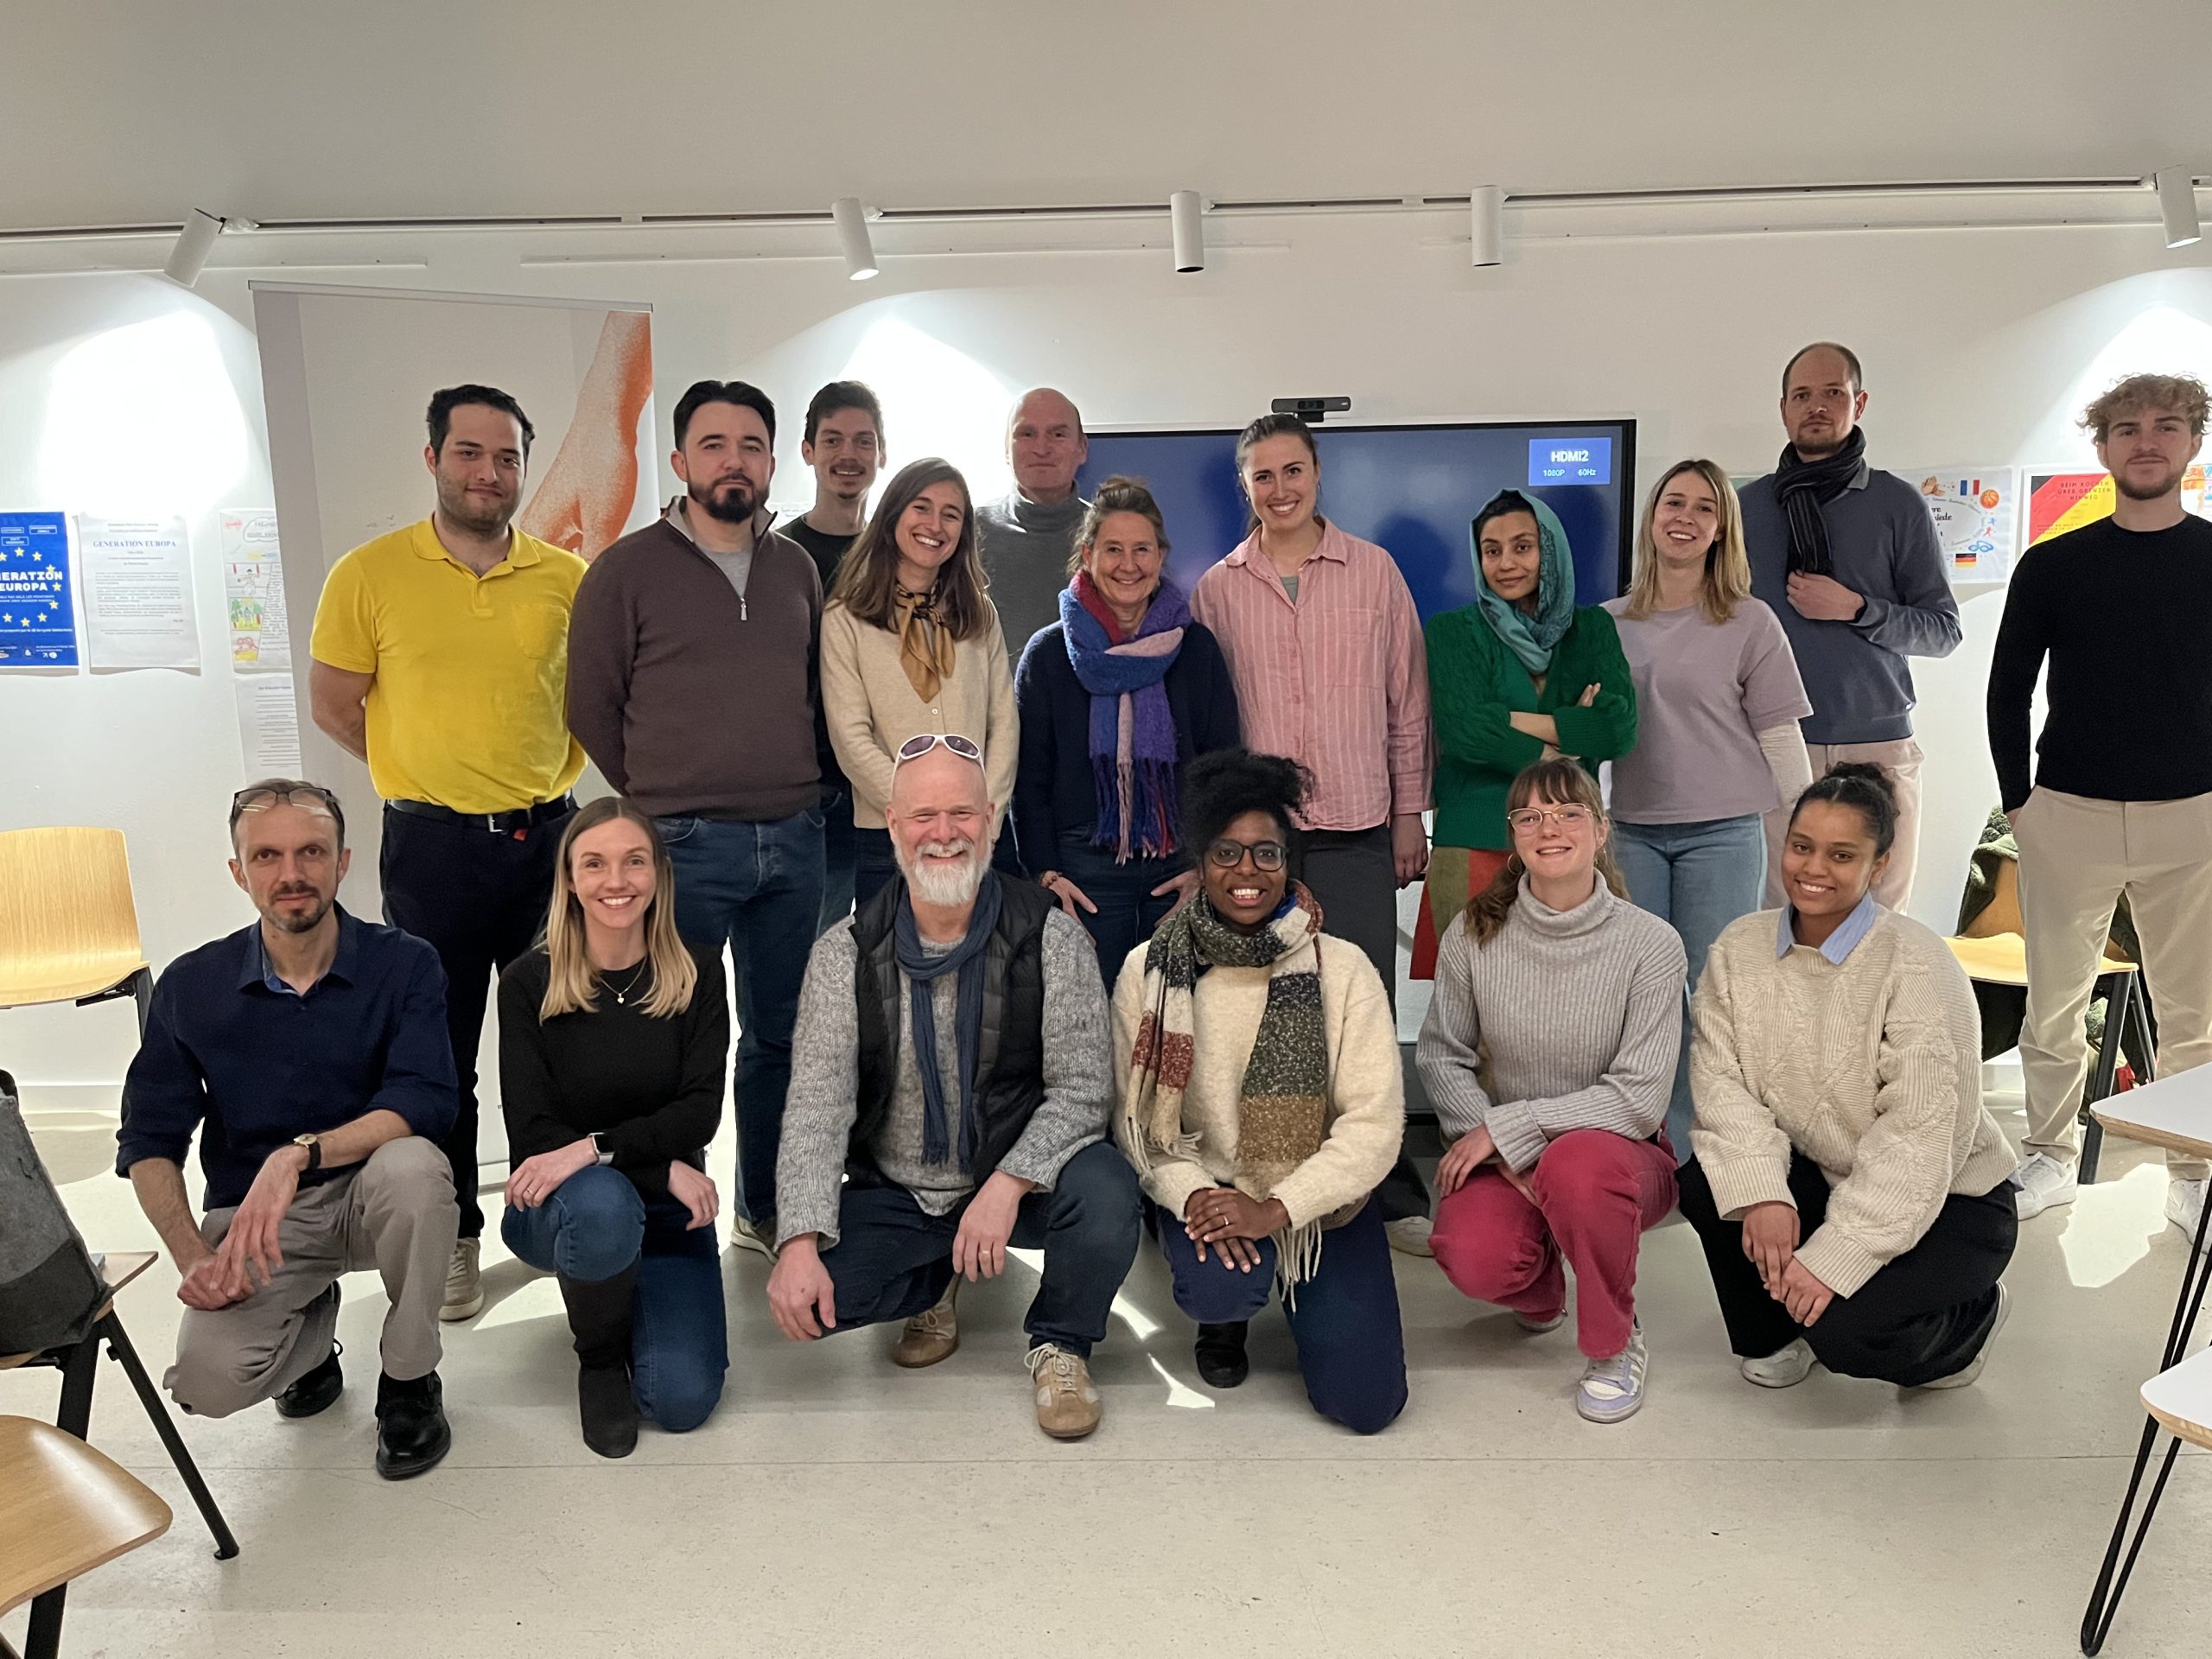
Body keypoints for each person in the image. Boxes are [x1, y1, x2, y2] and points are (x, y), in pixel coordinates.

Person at [767, 737, 1140, 1440]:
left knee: (1107, 1192)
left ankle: (1060, 1343)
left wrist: (1007, 1185)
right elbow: (817, 1108)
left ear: (991, 820)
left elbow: (1084, 1092)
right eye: (924, 815)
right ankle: (936, 1279)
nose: (944, 833)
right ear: (893, 824)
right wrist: (798, 1241)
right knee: (816, 1300)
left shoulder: (1051, 939)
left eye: (962, 813)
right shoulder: (844, 953)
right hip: (901, 1187)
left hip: (1019, 1181)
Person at [308, 384, 585, 1322]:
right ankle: (458, 1232)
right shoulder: (369, 573)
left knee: (558, 1045)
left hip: (550, 842)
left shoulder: (566, 578)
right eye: (469, 453)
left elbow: (590, 700)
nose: (488, 473)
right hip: (431, 849)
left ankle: (551, 1219)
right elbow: (335, 704)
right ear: (432, 459)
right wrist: (423, 771)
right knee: (443, 1052)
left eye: (507, 458)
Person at [115, 781, 458, 1478]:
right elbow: (149, 1138)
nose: (291, 873)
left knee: (417, 1169)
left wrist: (299, 1155)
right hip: (259, 1224)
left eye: (311, 852)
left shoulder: (405, 963)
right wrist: (191, 1256)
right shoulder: (192, 985)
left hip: (373, 1196)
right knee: (207, 1386)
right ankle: (310, 1337)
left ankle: (409, 1379)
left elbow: (425, 1098)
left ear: (343, 861)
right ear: (239, 872)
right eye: (266, 856)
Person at [568, 378, 827, 1259]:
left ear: (771, 461)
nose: (733, 462)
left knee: (781, 1038)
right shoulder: (625, 570)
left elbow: (811, 694)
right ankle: (670, 1214)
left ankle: (764, 1206)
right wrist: (657, 797)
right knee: (668, 1039)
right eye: (714, 445)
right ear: (680, 462)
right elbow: (590, 705)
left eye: (751, 446)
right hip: (680, 847)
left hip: (793, 840)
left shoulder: (796, 568)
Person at [1678, 765, 2018, 1393]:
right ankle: (1779, 1331)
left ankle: (1969, 1325)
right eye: (1802, 846)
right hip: (1826, 1172)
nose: (1814, 868)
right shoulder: (1739, 948)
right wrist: (1764, 1195)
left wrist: (1838, 1256)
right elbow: (1722, 1085)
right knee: (1708, 1181)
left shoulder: (1916, 962)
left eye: (1842, 855)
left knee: (1849, 1333)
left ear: (1878, 865)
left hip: (1951, 1198)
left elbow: (1919, 1138)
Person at [1190, 413, 1434, 1250]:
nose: (1280, 488)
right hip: (1258, 847)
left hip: (1360, 827)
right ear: (1245, 486)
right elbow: (1211, 724)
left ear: (1317, 474)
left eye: (1292, 471)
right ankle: (1272, 1182)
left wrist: (1408, 813)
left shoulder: (1374, 572)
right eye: (1262, 476)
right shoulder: (1218, 589)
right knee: (1261, 1016)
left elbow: (1408, 702)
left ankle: (1384, 1187)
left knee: (1361, 1012)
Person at [1112, 750, 1408, 1433]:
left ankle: (1297, 1278)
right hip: (1210, 1188)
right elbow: (1137, 1125)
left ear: (1288, 863)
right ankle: (1226, 1317)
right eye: (1227, 853)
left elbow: (1373, 1126)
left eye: (1266, 853)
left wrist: (1277, 1209)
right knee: (1220, 1289)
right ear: (1201, 863)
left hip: (1318, 1201)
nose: (1246, 871)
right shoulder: (1148, 971)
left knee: (1366, 1405)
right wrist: (1196, 1198)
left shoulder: (1344, 969)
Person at [1991, 372, 2212, 1235]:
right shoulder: (2053, 565)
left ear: (2193, 442)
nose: (2145, 440)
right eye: (2127, 427)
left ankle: (2191, 1172)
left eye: (2165, 426)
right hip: (2068, 814)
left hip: (2191, 815)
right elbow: (2008, 689)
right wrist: (2019, 802)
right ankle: (2047, 1155)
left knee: (2192, 1014)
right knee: (2052, 1005)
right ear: (2103, 446)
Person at [1417, 759, 1685, 1424]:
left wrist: (1510, 1131)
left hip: (1620, 1159)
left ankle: (1614, 1344)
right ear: (1513, 835)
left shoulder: (1651, 944)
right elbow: (1442, 1055)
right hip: (1508, 1148)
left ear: (1601, 830)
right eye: (1530, 816)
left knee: (1577, 1164)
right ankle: (1542, 1293)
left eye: (1568, 813)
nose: (1549, 828)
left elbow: (1638, 1099)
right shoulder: (1474, 932)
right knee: (1472, 1255)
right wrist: (1500, 1145)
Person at [498, 799, 731, 1459]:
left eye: (634, 861)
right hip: (560, 1206)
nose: (616, 881)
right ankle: (599, 1359)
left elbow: (699, 1113)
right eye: (594, 864)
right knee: (602, 1205)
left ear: (659, 874)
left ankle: (615, 1292)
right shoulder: (528, 982)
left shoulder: (697, 972)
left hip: (669, 1210)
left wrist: (601, 1148)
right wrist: (651, 1164)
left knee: (682, 1401)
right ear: (570, 880)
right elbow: (535, 1133)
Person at [1604, 460, 1812, 1158]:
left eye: (1704, 508)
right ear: (1652, 516)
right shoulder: (1607, 624)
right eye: (1674, 503)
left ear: (1722, 529)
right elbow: (1586, 734)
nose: (1685, 518)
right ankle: (1650, 1138)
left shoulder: (1750, 621)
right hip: (1632, 831)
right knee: (1644, 994)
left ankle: (1705, 1147)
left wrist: (1809, 834)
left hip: (1724, 834)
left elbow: (1779, 733)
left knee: (1713, 992)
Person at [1739, 342, 1961, 912]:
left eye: (1833, 393)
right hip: (1776, 741)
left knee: (1879, 919)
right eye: (1802, 395)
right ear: (1783, 409)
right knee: (1780, 914)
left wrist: (1858, 609)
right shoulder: (1744, 509)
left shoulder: (1897, 503)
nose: (1816, 406)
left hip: (1877, 741)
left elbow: (1942, 630)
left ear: (1858, 404)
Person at [1014, 474, 1242, 985]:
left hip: (1180, 865)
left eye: (1142, 549)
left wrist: (1208, 867)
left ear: (1161, 557)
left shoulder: (1196, 649)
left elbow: (1224, 769)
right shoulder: (1048, 654)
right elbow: (1027, 779)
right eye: (1113, 549)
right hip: (1083, 874)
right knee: (1090, 1021)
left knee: (1177, 1017)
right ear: (1087, 555)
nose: (1128, 564)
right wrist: (1046, 876)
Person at [1420, 487, 1637, 978]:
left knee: (1571, 990)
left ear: (1550, 551)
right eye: (1491, 550)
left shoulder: (1592, 628)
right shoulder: (1452, 631)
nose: (1506, 564)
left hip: (1567, 841)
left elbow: (1619, 730)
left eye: (1523, 547)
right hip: (1475, 835)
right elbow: (1465, 730)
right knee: (1470, 994)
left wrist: (1509, 720)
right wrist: (1566, 738)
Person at [822, 457, 1019, 907]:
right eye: (922, 508)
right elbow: (850, 737)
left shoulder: (979, 612)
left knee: (988, 952)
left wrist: (984, 815)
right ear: (893, 514)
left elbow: (1004, 724)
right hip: (886, 835)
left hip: (977, 835)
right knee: (891, 953)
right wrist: (919, 815)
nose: (935, 525)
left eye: (951, 515)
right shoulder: (845, 618)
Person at [780, 381, 887, 931]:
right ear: (808, 451)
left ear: (881, 454)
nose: (849, 455)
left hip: (881, 789)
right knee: (810, 958)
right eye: (832, 440)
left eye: (864, 441)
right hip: (809, 794)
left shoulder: (896, 557)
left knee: (883, 953)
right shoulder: (778, 556)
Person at [976, 387, 1091, 656]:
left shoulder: (1112, 536)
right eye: (1027, 434)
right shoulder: (965, 532)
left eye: (1058, 434)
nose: (1041, 449)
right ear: (1007, 449)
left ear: (1082, 448)